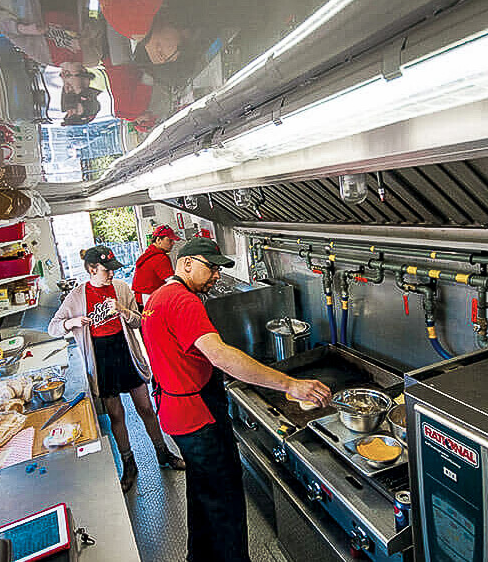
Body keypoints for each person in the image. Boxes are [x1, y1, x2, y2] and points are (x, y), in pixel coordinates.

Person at [140, 238, 331, 562]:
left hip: (176, 412)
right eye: (210, 267)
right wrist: (290, 384)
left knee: (202, 496)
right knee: (225, 505)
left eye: (218, 268)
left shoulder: (158, 297)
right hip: (198, 416)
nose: (216, 275)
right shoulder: (184, 301)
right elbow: (222, 356)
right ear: (186, 263)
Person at [48, 245, 185, 493]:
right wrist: (71, 322)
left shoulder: (121, 289)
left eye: (113, 270)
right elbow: (53, 327)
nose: (111, 274)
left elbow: (139, 320)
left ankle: (163, 452)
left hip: (126, 354)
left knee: (145, 407)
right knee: (116, 415)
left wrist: (123, 310)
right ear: (92, 269)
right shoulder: (77, 296)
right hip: (102, 361)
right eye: (106, 270)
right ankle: (129, 464)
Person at [131, 224, 180, 306]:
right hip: (150, 301)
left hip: (140, 301)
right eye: (170, 240)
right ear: (158, 240)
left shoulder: (149, 254)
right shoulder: (160, 258)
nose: (173, 243)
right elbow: (173, 283)